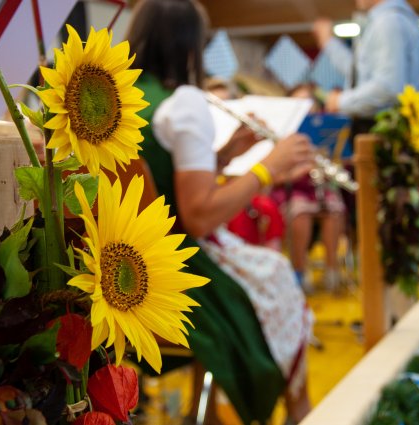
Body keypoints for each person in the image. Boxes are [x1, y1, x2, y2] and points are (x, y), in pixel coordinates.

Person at [125, 1, 315, 423]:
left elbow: (156, 177)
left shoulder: (126, 99)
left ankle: (207, 412)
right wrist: (270, 166)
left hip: (131, 263)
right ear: (190, 45)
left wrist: (224, 155)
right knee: (278, 276)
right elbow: (198, 215)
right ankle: (298, 411)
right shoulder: (186, 102)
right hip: (181, 271)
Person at [313, 0, 419, 135]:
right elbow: (360, 71)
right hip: (386, 128)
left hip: (383, 130)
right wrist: (328, 43)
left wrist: (341, 101)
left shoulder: (387, 22)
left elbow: (388, 88)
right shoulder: (388, 20)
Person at [279, 83, 347, 292]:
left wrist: (328, 167)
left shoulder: (325, 135)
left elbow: (339, 164)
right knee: (300, 213)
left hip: (319, 188)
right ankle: (300, 271)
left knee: (334, 208)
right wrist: (297, 172)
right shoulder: (282, 133)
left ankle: (332, 270)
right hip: (292, 189)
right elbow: (275, 174)